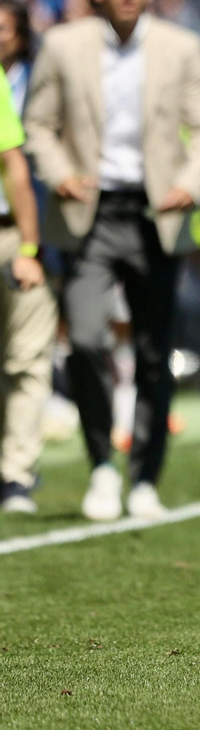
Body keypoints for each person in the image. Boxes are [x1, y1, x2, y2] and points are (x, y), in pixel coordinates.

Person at [23, 0, 200, 521]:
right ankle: (102, 468)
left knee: (155, 351)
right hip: (88, 213)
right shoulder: (63, 46)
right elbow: (37, 123)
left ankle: (144, 478)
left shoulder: (180, 46)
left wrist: (191, 180)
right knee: (85, 339)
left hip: (156, 213)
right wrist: (59, 174)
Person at [0, 26, 52, 515]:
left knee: (26, 358)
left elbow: (13, 164)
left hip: (7, 233)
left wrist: (29, 246)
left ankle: (15, 474)